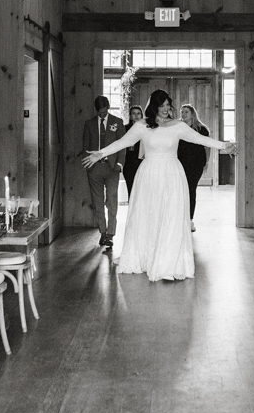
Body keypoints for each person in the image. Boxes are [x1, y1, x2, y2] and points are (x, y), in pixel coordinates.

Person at [82, 89, 234, 281]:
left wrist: (223, 145)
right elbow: (122, 142)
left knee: (170, 215)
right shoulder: (141, 126)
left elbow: (200, 139)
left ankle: (169, 260)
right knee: (148, 214)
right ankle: (147, 256)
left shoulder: (178, 125)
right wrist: (100, 153)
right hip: (148, 175)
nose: (166, 109)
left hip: (172, 174)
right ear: (154, 106)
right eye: (161, 106)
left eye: (168, 105)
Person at [82, 95, 125, 250]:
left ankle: (111, 234)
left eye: (104, 111)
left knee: (112, 199)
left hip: (113, 167)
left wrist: (120, 163)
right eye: (99, 112)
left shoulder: (117, 122)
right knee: (98, 201)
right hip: (95, 169)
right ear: (96, 109)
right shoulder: (89, 124)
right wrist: (89, 164)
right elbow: (85, 147)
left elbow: (122, 144)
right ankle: (103, 232)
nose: (102, 114)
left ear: (108, 107)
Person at [176, 103, 210, 228]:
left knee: (191, 190)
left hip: (196, 164)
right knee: (179, 191)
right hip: (180, 164)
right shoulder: (177, 128)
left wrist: (206, 162)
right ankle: (180, 218)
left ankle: (189, 220)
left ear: (192, 114)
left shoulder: (202, 129)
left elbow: (207, 147)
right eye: (182, 112)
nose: (183, 114)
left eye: (186, 112)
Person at [122, 105, 145, 196]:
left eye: (138, 113)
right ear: (130, 116)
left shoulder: (146, 128)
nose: (136, 116)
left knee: (141, 191)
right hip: (129, 163)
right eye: (134, 113)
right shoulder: (124, 129)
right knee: (131, 191)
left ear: (142, 115)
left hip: (142, 162)